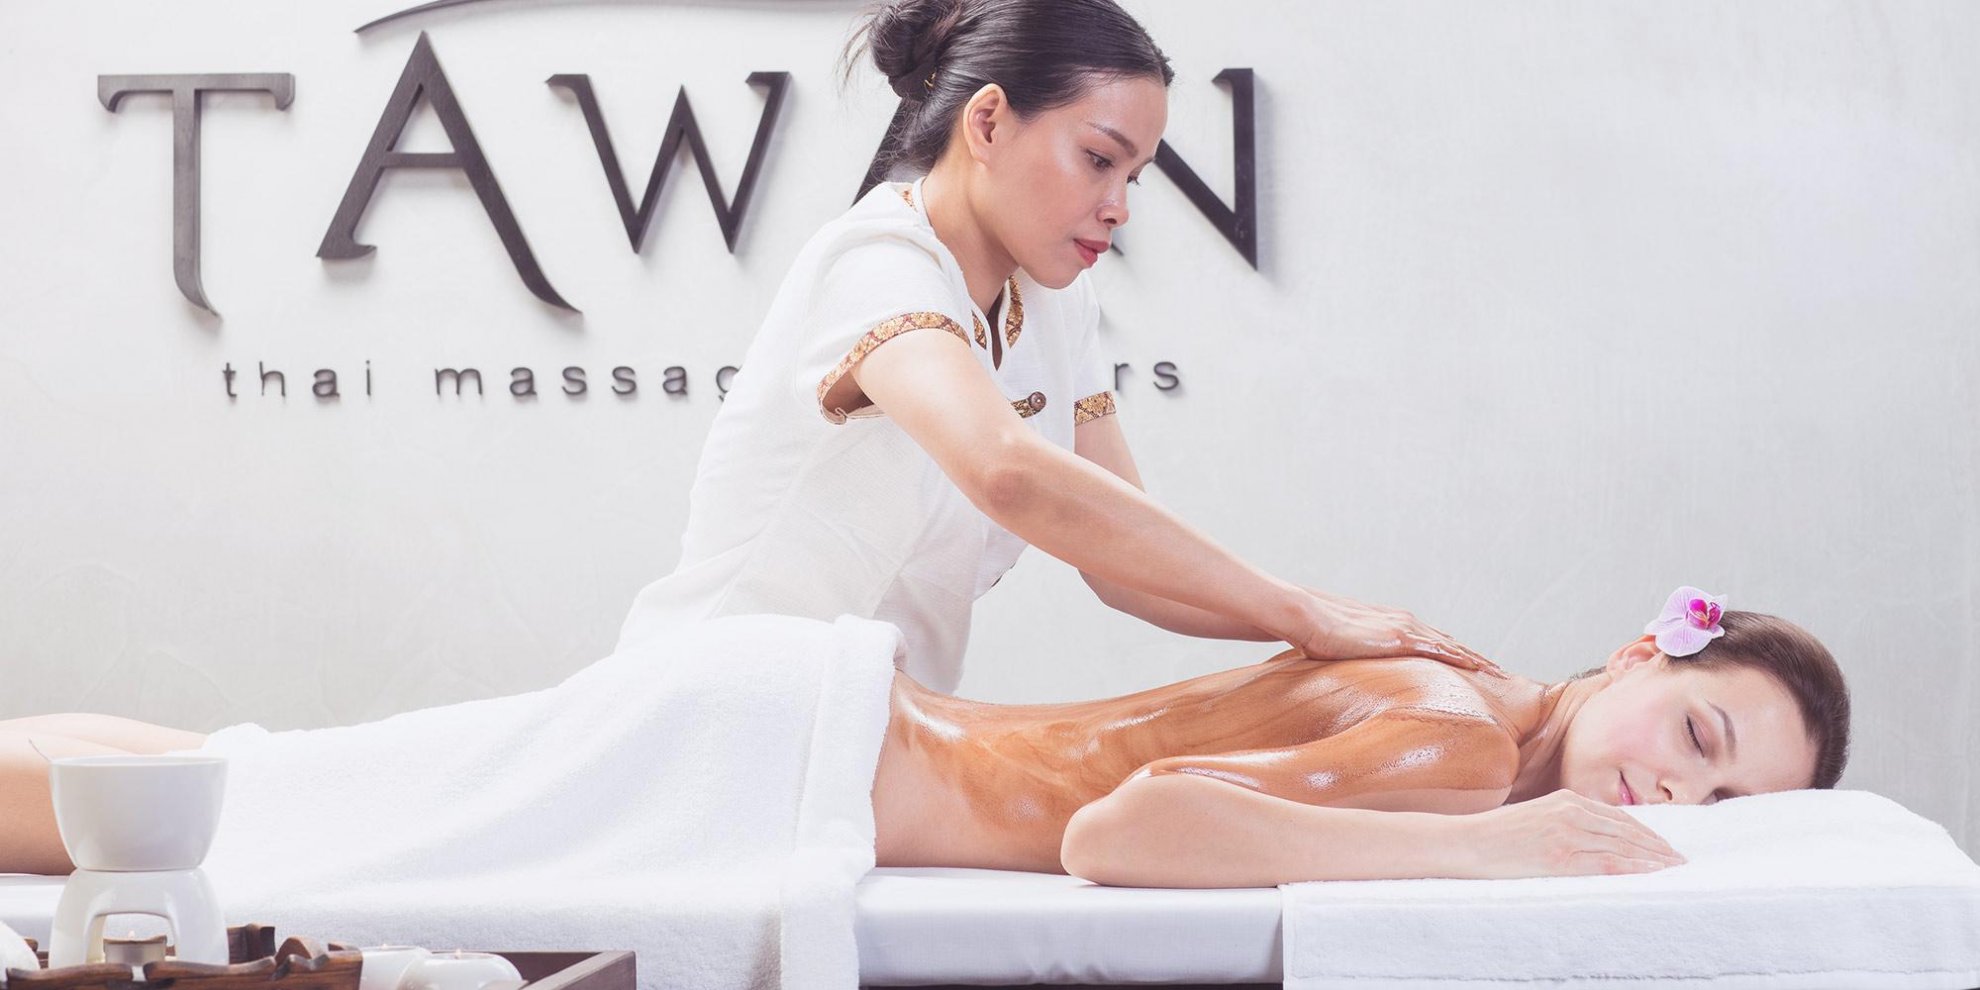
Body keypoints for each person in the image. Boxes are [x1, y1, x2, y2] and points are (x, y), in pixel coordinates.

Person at [610, 0, 1502, 693]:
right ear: (988, 123)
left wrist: (1332, 628)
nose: (1120, 206)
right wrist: (1299, 612)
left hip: (877, 731)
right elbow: (1006, 470)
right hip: (725, 705)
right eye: (1100, 159)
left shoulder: (1054, 299)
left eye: (1134, 175)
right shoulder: (875, 264)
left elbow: (1125, 571)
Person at [0, 588, 1849, 885]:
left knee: (270, 772)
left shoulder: (1452, 686)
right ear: (1639, 648)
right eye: (1696, 725)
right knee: (267, 817)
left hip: (798, 724)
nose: (1672, 784)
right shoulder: (1454, 748)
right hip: (780, 757)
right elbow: (1125, 833)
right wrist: (1488, 854)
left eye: (1717, 790)